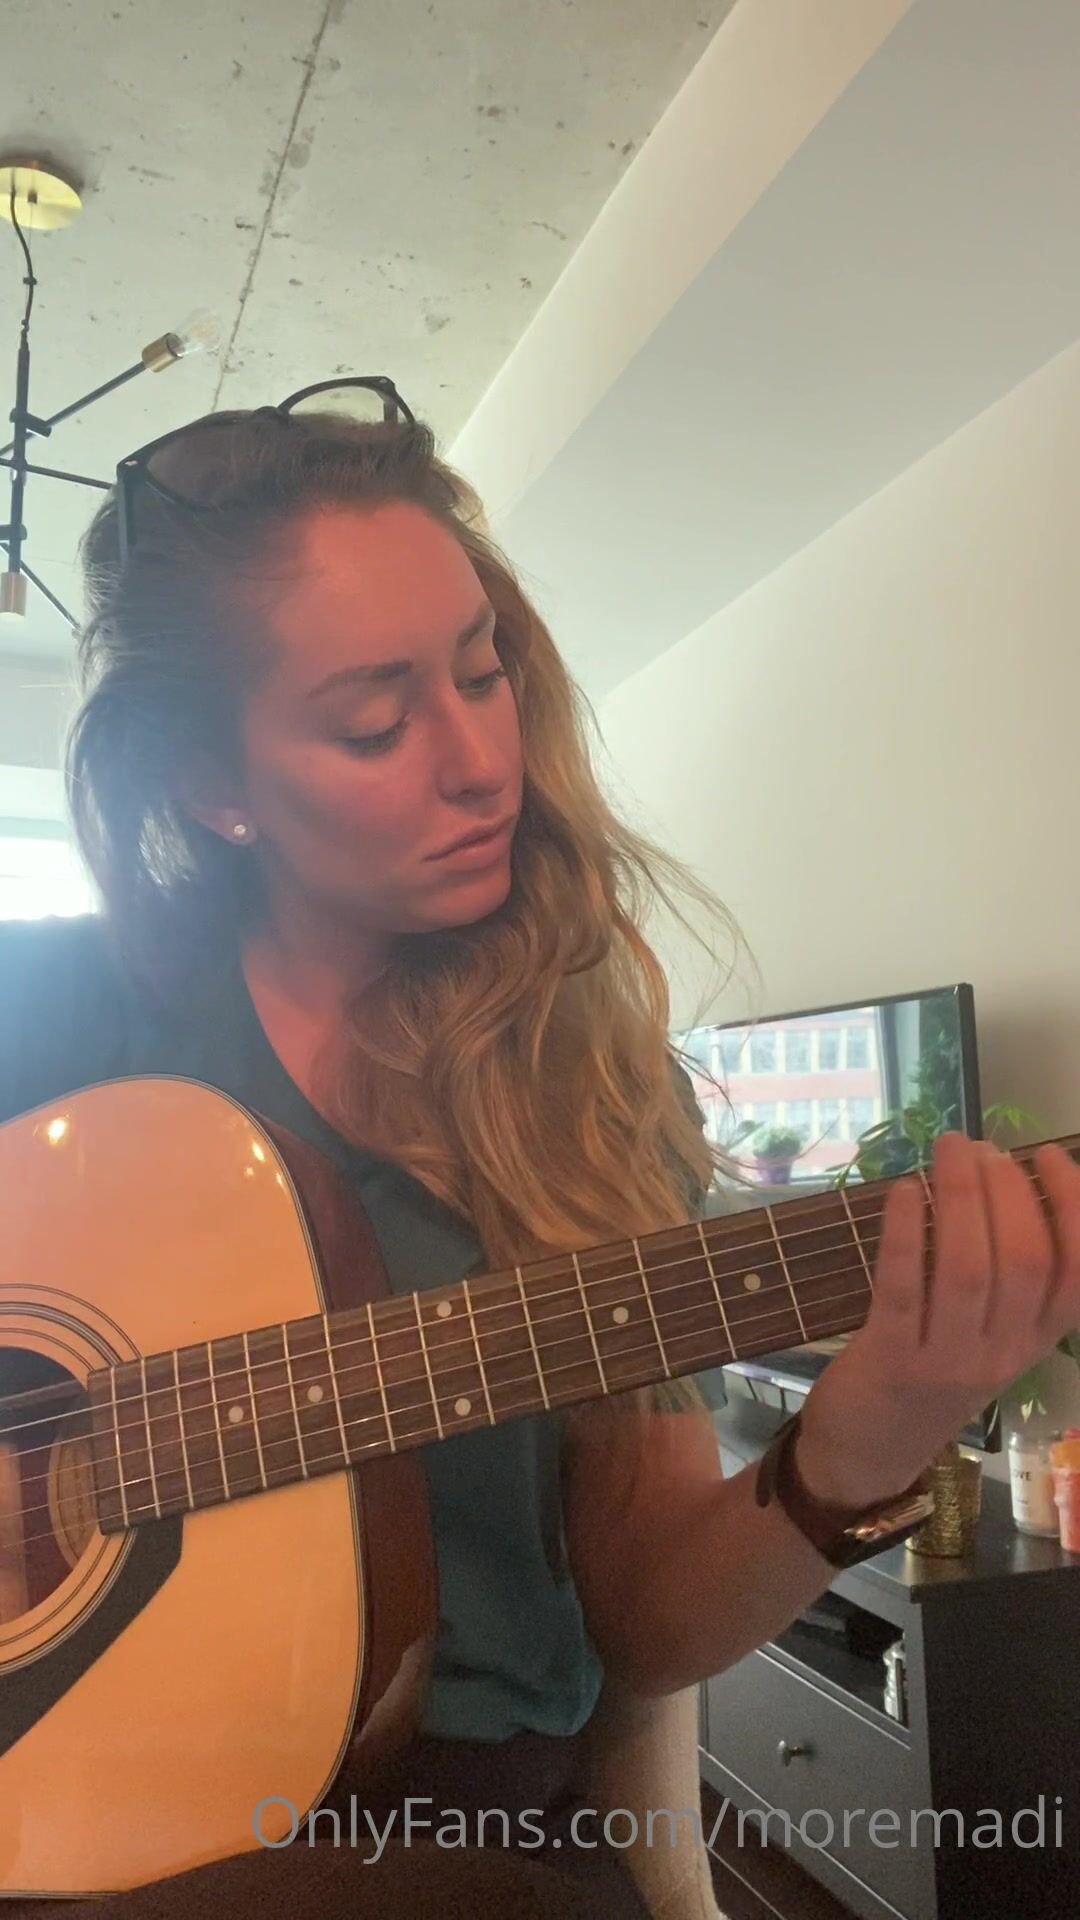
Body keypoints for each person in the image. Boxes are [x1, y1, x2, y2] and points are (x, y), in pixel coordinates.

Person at [1, 387, 1077, 1917]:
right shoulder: (48, 1023)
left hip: (462, 1839)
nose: (478, 760)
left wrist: (868, 1440)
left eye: (481, 668)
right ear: (210, 788)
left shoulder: (581, 1080)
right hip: (70, 1821)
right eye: (374, 723)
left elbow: (649, 1620)